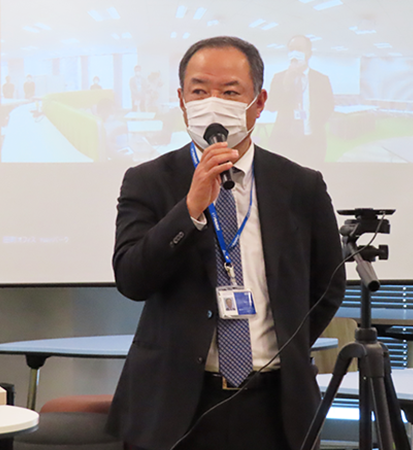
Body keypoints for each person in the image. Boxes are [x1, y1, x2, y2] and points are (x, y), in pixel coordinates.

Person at [107, 36, 346, 450]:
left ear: (260, 101)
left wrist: (284, 345)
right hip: (175, 402)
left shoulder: (300, 185)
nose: (213, 103)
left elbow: (328, 284)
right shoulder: (148, 180)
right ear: (181, 100)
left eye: (230, 92)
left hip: (276, 404)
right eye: (200, 91)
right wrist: (190, 210)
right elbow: (132, 278)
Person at [266, 35, 334, 164]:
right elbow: (271, 106)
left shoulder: (321, 79)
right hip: (284, 141)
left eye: (299, 49)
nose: (294, 53)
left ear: (309, 54)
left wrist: (316, 123)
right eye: (291, 49)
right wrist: (286, 84)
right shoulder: (279, 77)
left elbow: (329, 106)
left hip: (312, 140)